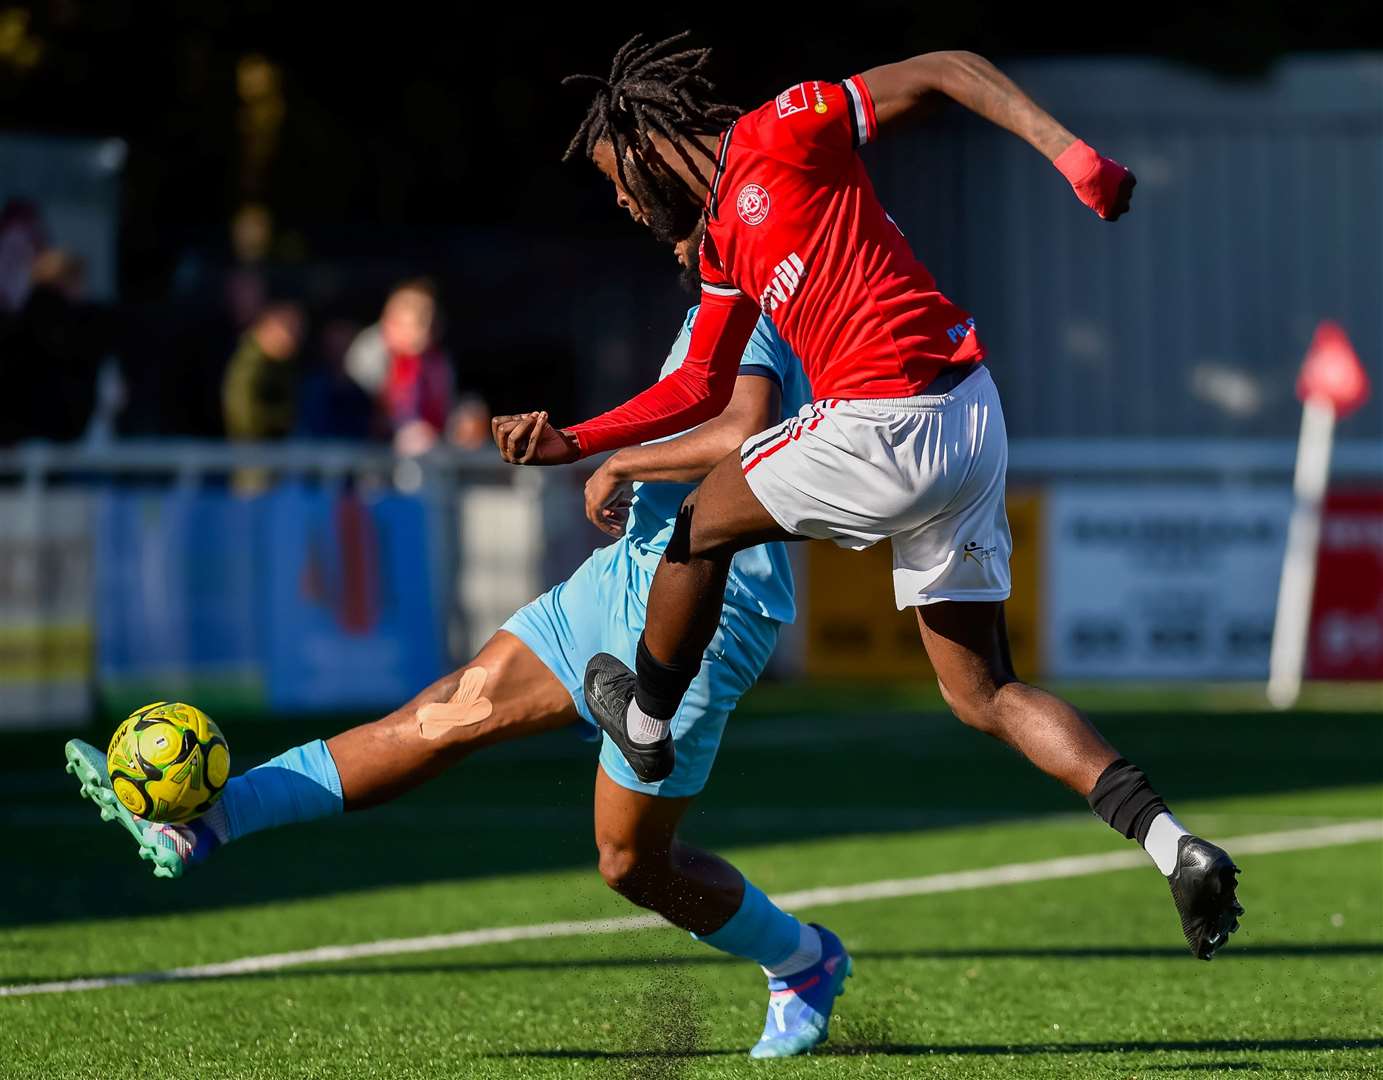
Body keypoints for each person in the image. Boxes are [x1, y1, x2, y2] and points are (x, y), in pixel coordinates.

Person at [493, 34, 1243, 963]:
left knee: (693, 527)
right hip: (968, 417)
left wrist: (1068, 153)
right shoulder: (725, 240)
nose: (618, 200)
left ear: (647, 149)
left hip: (886, 417)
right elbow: (696, 386)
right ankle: (1174, 845)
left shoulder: (784, 127)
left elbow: (945, 69)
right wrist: (578, 440)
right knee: (982, 691)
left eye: (615, 177)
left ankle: (645, 721)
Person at [64, 226, 852, 1059]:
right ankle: (210, 823)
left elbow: (746, 429)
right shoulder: (708, 311)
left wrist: (617, 461)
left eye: (644, 187)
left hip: (709, 608)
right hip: (621, 579)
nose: (633, 207)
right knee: (439, 717)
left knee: (629, 865)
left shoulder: (757, 300)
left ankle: (800, 959)